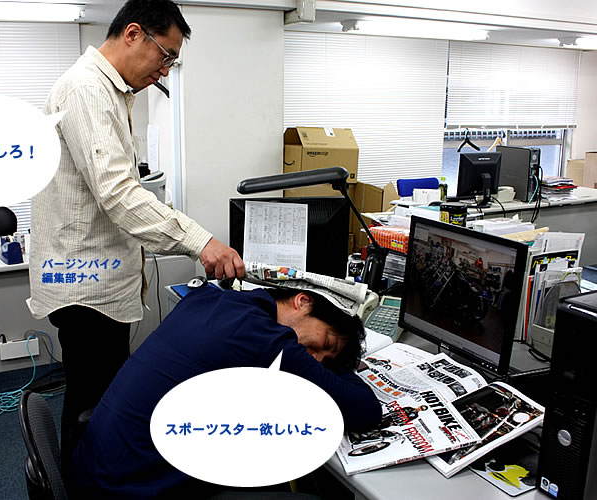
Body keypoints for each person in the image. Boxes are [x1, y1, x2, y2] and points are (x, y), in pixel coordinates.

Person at [26, 0, 244, 475]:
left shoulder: (110, 91)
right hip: (87, 290)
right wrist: (201, 242)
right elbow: (120, 195)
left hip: (94, 283)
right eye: (165, 55)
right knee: (93, 408)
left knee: (97, 401)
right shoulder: (87, 90)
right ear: (132, 34)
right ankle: (83, 485)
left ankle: (85, 480)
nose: (164, 71)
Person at [72, 285, 383, 498]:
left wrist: (326, 361)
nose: (316, 359)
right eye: (325, 343)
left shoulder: (208, 298)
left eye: (324, 360)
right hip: (132, 489)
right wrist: (339, 368)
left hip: (97, 469)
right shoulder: (264, 339)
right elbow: (367, 411)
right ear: (303, 301)